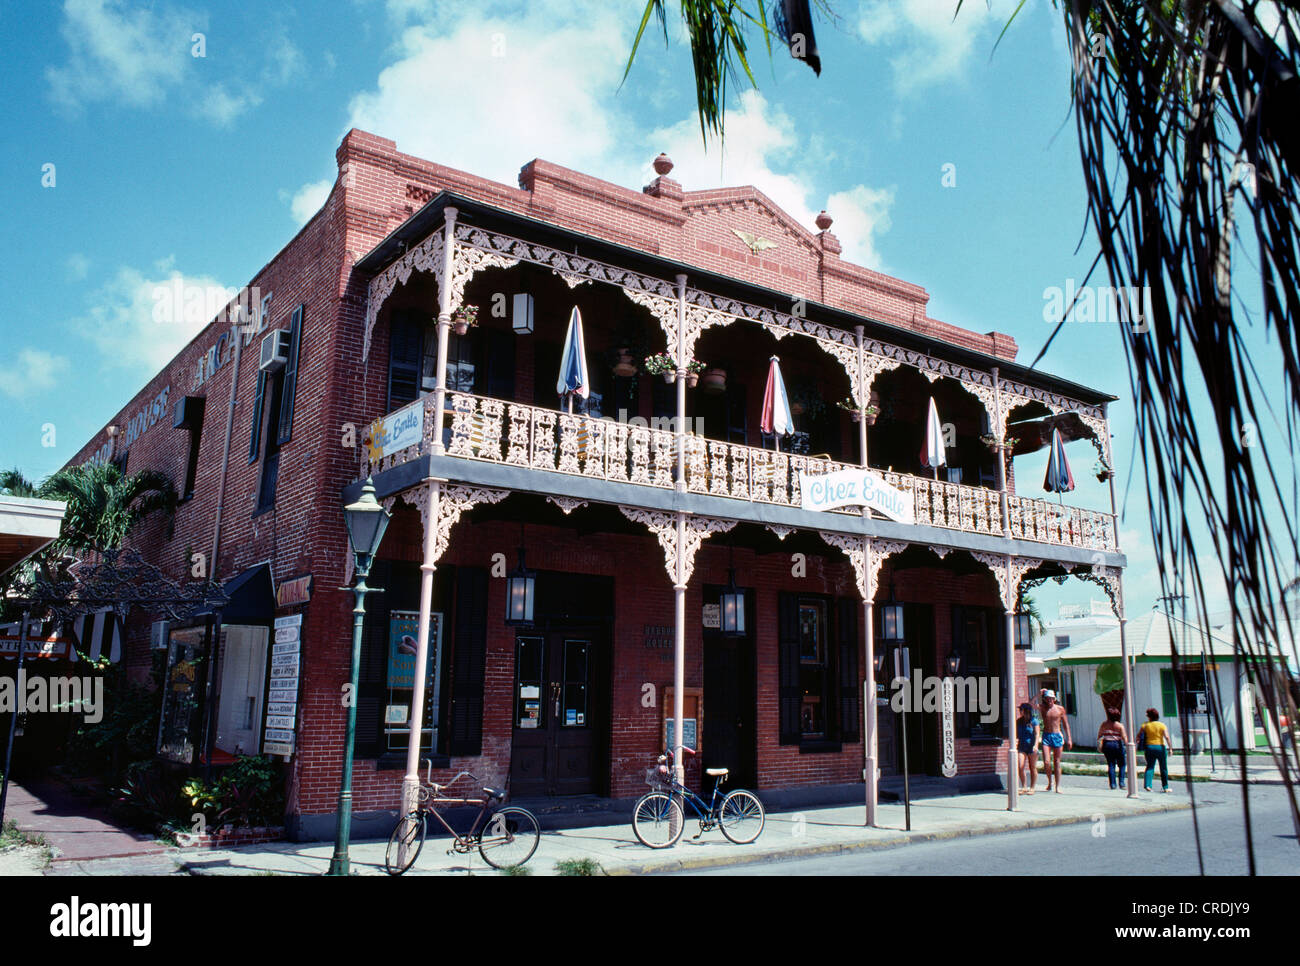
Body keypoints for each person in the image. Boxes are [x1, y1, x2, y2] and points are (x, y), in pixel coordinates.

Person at [1040, 690, 1072, 792]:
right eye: (1047, 698)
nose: (1049, 700)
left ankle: (1058, 786)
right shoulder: (1043, 708)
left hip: (1057, 735)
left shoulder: (1060, 709)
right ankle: (1050, 782)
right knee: (1046, 762)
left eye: (1051, 698)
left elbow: (1066, 724)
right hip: (1046, 736)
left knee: (1057, 762)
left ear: (1054, 699)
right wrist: (1039, 694)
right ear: (1045, 699)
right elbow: (1031, 703)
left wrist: (1069, 739)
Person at [1140, 707, 1173, 792]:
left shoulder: (1145, 725)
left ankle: (1148, 785)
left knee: (1150, 766)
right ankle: (1165, 787)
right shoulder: (1162, 725)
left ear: (1149, 716)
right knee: (1163, 767)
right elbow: (1167, 737)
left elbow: (1138, 736)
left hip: (1149, 747)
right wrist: (1170, 748)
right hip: (1160, 747)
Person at [1096, 708, 1128, 789]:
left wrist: (1100, 742)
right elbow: (1124, 737)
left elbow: (1099, 735)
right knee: (1122, 764)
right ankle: (1122, 783)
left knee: (1111, 764)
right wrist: (1128, 745)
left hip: (1107, 744)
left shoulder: (1104, 724)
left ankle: (1113, 784)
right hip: (1117, 744)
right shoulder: (1120, 725)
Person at [1016, 702, 1041, 794]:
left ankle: (1032, 787)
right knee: (1020, 766)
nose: (1019, 711)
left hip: (1031, 747)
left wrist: (1036, 745)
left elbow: (1037, 733)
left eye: (1021, 710)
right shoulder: (1019, 721)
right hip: (1022, 746)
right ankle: (1024, 786)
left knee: (1032, 767)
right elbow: (1016, 734)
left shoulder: (1034, 721)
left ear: (1025, 711)